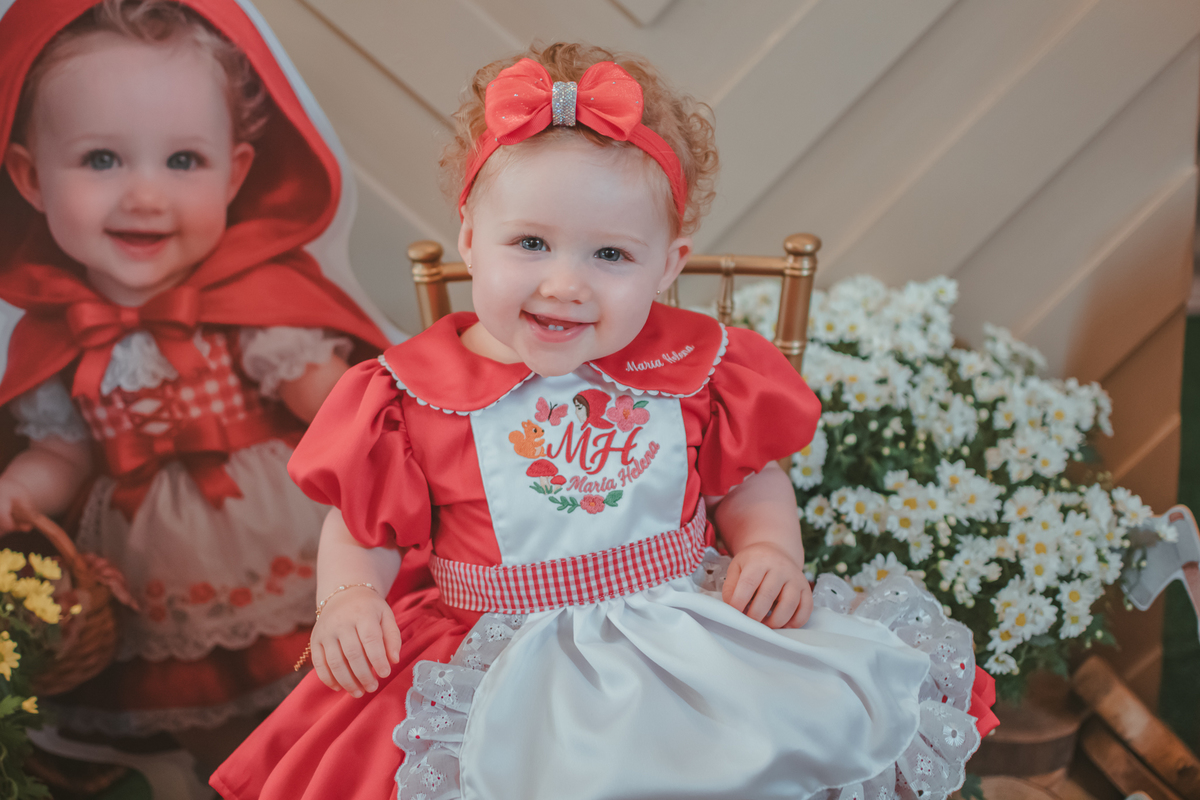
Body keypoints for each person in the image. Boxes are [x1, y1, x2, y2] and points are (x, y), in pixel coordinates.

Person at [213, 43, 998, 800]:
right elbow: (362, 527)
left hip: (682, 626)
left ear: (669, 264)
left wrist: (768, 549)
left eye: (611, 257)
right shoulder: (409, 395)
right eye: (529, 243)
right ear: (469, 240)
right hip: (493, 646)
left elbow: (750, 478)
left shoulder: (697, 370)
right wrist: (348, 599)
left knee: (779, 736)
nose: (565, 284)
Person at [0, 0, 393, 769]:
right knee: (212, 733)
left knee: (325, 687)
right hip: (155, 575)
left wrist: (391, 435)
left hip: (280, 541)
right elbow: (64, 454)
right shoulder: (56, 335)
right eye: (101, 159)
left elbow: (337, 405)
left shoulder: (261, 310)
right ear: (31, 178)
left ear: (235, 173)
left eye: (183, 161)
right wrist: (17, 488)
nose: (146, 195)